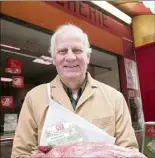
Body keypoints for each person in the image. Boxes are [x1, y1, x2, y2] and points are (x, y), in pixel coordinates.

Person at [11, 24, 138, 157]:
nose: (70, 57)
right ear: (54, 59)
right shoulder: (34, 97)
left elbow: (130, 152)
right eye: (62, 51)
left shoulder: (115, 98)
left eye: (77, 50)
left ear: (88, 57)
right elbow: (20, 153)